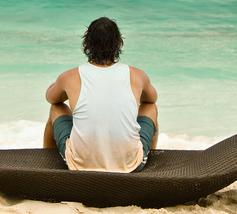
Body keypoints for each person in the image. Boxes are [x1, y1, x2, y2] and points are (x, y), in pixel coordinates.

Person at [43, 17, 158, 172]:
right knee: (151, 108)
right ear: (118, 43)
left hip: (80, 166)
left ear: (87, 44)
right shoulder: (137, 75)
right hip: (130, 166)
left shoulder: (69, 77)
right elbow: (152, 99)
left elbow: (51, 98)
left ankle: (46, 168)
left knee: (56, 108)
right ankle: (143, 160)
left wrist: (59, 86)